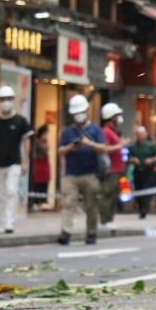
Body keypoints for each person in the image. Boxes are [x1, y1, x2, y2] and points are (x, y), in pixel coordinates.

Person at [57, 96, 109, 245]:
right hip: (71, 174)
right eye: (75, 113)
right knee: (68, 203)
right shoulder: (68, 131)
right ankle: (66, 232)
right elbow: (60, 150)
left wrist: (89, 143)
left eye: (80, 112)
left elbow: (103, 148)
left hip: (90, 174)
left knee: (91, 205)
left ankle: (91, 233)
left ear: (86, 111)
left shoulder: (95, 130)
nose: (78, 115)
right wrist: (70, 147)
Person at [0, 85, 31, 233]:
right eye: (3, 99)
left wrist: (25, 160)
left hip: (14, 163)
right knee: (0, 195)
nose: (6, 102)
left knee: (11, 191)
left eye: (9, 99)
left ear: (13, 100)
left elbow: (27, 140)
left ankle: (10, 222)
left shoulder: (20, 121)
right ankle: (2, 223)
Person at [96, 103, 127, 226]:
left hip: (119, 169)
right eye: (117, 116)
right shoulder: (106, 132)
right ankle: (105, 220)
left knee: (115, 196)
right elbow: (105, 149)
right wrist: (120, 145)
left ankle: (110, 219)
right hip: (111, 170)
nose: (119, 119)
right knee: (107, 195)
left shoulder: (114, 132)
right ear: (111, 117)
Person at [126, 126, 156, 219]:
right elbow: (127, 157)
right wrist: (132, 159)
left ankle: (144, 210)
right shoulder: (132, 147)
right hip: (138, 171)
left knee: (147, 190)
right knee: (139, 190)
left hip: (149, 172)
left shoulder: (151, 146)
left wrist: (152, 160)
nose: (140, 136)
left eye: (142, 134)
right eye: (138, 135)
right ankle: (141, 207)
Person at [28, 123, 51, 210]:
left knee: (45, 182)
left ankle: (42, 202)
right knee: (37, 182)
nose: (46, 135)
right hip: (38, 163)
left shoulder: (45, 141)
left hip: (45, 164)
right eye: (45, 133)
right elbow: (38, 152)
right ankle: (36, 202)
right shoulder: (36, 142)